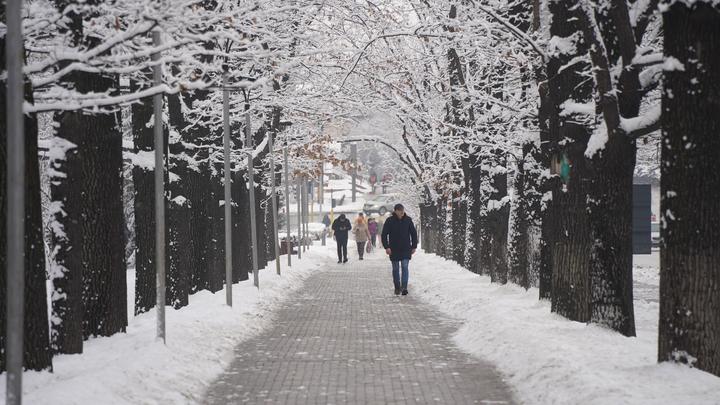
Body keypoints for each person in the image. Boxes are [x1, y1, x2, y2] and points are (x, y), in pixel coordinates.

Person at [381, 204, 418, 296]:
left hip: (406, 248)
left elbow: (413, 233)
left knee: (405, 267)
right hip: (394, 249)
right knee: (396, 268)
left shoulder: (408, 220)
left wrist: (414, 246)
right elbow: (384, 234)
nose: (402, 212)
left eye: (402, 210)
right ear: (395, 211)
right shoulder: (389, 221)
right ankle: (397, 287)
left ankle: (404, 287)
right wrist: (387, 247)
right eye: (399, 210)